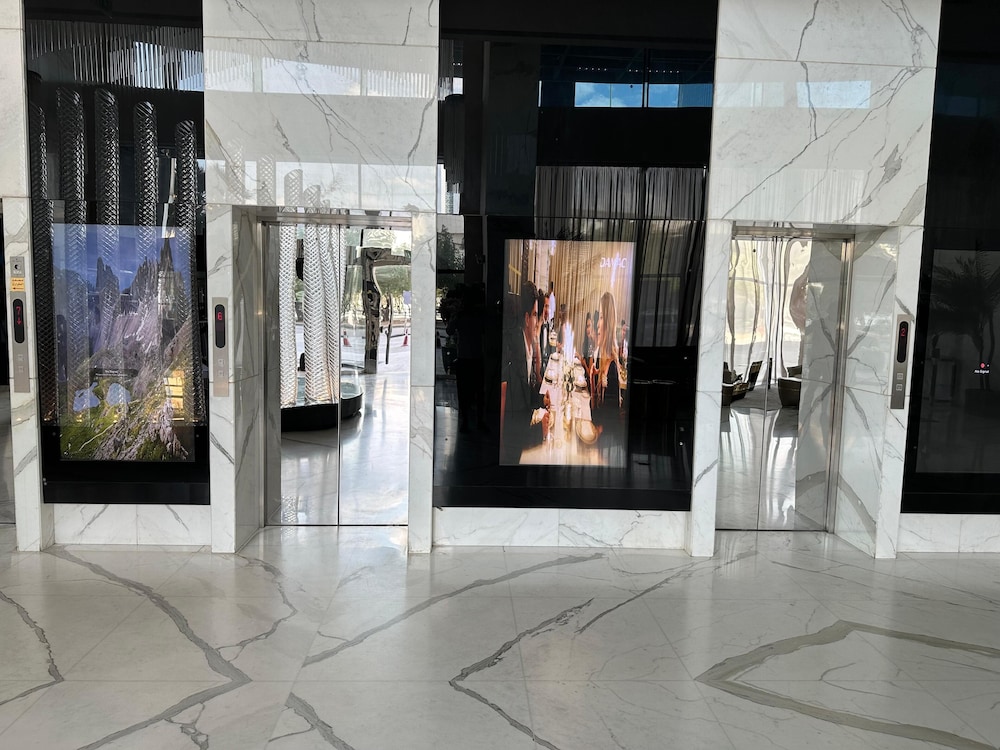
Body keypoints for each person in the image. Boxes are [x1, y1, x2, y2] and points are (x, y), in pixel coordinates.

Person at [501, 281, 547, 463]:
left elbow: (526, 393)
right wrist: (539, 431)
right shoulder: (515, 351)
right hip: (515, 442)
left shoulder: (527, 346)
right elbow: (507, 403)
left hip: (523, 426)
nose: (538, 321)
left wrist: (541, 400)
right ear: (527, 319)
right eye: (535, 315)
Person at [591, 292, 625, 446]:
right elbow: (596, 406)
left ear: (609, 323)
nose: (598, 324)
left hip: (603, 443)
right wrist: (592, 379)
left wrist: (596, 432)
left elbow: (610, 422)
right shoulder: (601, 356)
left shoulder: (611, 367)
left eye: (601, 318)